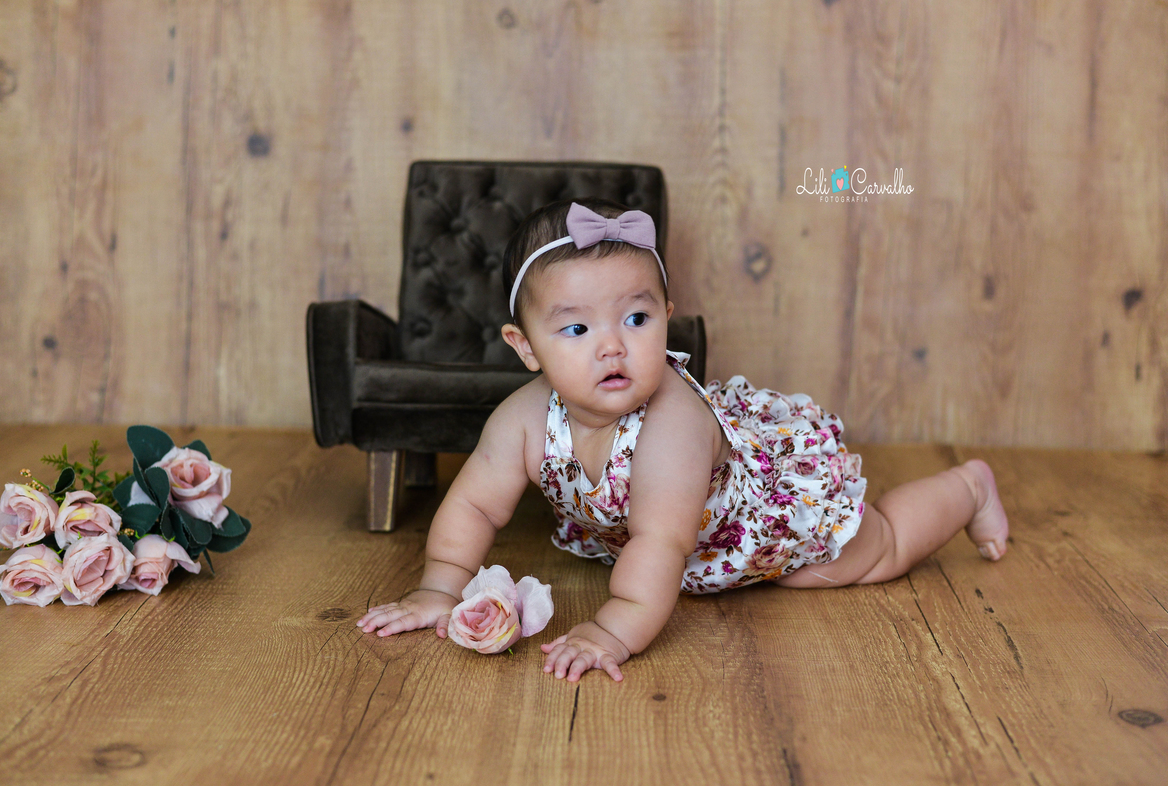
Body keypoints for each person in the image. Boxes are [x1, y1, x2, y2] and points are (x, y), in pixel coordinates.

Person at [356, 198, 1010, 684]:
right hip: (682, 552)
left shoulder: (672, 425)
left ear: (667, 320)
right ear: (524, 347)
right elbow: (474, 506)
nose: (612, 344)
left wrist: (614, 629)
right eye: (576, 330)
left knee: (866, 554)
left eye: (636, 318)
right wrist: (439, 589)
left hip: (757, 520)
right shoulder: (523, 418)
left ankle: (968, 488)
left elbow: (661, 540)